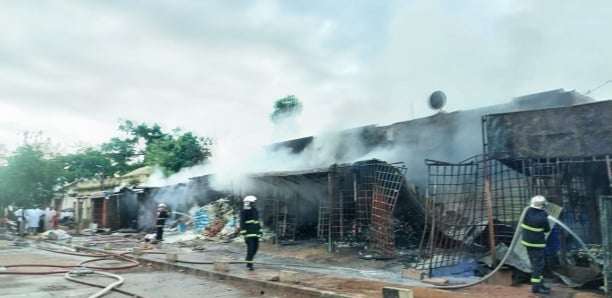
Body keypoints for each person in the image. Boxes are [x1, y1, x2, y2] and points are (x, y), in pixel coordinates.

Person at [521, 195, 551, 294]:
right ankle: (536, 287)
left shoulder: (526, 211)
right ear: (542, 205)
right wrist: (545, 215)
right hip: (537, 244)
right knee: (538, 265)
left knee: (535, 264)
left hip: (527, 243)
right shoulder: (542, 217)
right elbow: (547, 229)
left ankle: (540, 284)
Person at [240, 195, 263, 270]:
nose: (254, 204)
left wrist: (260, 231)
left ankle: (248, 259)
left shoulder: (255, 210)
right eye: (253, 203)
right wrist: (244, 234)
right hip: (249, 234)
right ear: (249, 203)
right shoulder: (244, 211)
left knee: (255, 248)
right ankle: (249, 264)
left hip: (255, 233)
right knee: (250, 248)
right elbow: (242, 223)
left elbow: (257, 222)